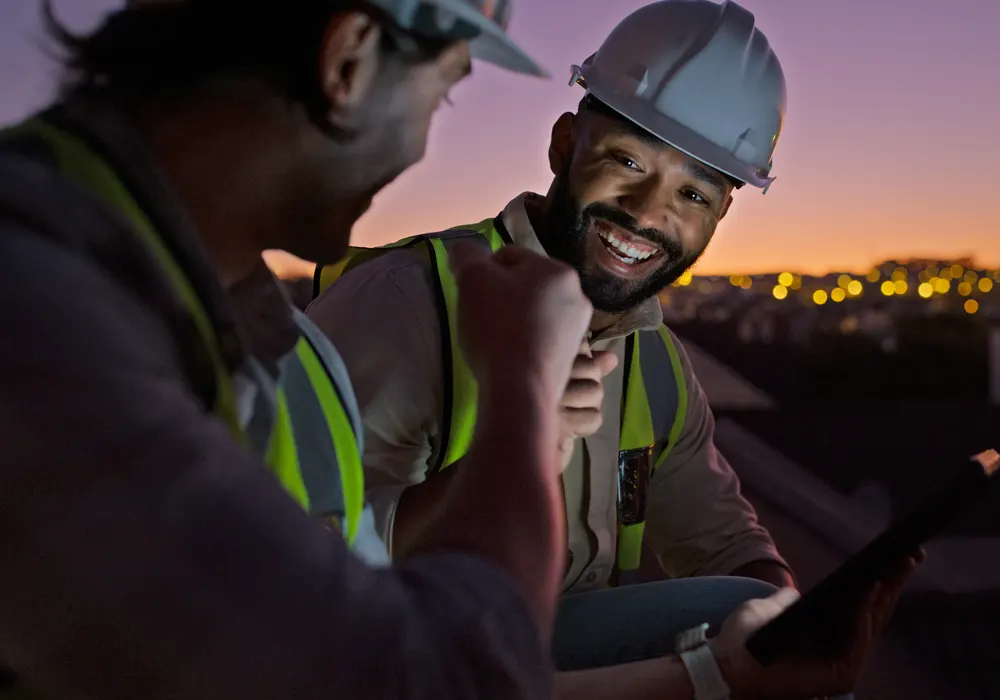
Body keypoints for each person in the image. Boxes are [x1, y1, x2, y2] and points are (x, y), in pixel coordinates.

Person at [0, 0, 592, 697]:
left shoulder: (210, 314)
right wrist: (520, 382)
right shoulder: (39, 318)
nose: (425, 146)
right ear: (350, 59)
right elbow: (438, 680)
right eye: (445, 90)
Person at [308, 0, 797, 667]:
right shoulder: (407, 303)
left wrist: (794, 621)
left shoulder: (654, 365)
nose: (648, 214)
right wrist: (517, 437)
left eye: (694, 195)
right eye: (628, 162)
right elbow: (311, 571)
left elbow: (723, 542)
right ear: (565, 146)